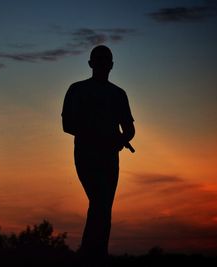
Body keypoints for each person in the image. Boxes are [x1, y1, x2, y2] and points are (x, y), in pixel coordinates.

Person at [62, 45, 135, 265]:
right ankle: (91, 254)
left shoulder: (118, 94)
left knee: (103, 206)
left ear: (111, 65)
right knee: (100, 203)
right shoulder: (77, 90)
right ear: (91, 64)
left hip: (110, 156)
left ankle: (93, 254)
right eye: (99, 60)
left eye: (106, 61)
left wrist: (120, 140)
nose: (103, 65)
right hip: (86, 155)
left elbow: (129, 130)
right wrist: (97, 135)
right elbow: (67, 124)